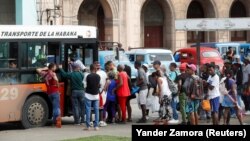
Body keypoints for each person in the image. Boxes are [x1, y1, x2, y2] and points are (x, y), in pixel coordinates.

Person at [36, 63, 61, 128]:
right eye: (55, 67)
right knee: (57, 108)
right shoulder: (53, 74)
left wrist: (46, 68)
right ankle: (57, 122)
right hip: (55, 92)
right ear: (52, 68)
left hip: (49, 93)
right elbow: (56, 80)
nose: (55, 68)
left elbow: (38, 69)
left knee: (54, 107)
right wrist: (58, 85)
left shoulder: (44, 73)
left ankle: (54, 122)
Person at [84, 64, 100, 131]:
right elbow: (99, 85)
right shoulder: (98, 76)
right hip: (96, 95)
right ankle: (96, 126)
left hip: (88, 94)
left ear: (90, 69)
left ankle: (88, 126)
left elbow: (85, 85)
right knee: (96, 110)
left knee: (88, 110)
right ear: (95, 69)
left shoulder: (88, 76)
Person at [94, 61, 108, 127]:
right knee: (101, 106)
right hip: (102, 91)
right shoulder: (103, 72)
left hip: (96, 92)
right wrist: (105, 88)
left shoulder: (95, 73)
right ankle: (101, 120)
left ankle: (97, 120)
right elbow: (108, 81)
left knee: (96, 106)